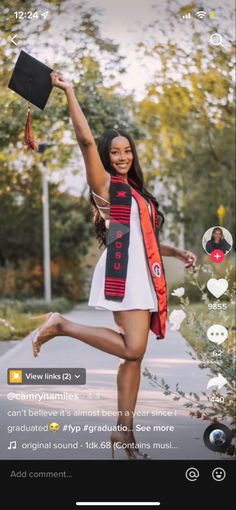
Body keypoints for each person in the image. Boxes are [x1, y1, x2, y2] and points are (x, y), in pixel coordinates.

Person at [30, 71, 197, 460]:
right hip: (124, 273)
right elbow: (85, 139)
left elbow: (148, 238)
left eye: (127, 151)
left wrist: (177, 253)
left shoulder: (137, 193)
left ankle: (125, 433)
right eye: (115, 152)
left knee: (133, 356)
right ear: (105, 156)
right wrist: (70, 91)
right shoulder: (105, 185)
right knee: (134, 349)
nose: (122, 157)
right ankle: (62, 324)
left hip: (143, 271)